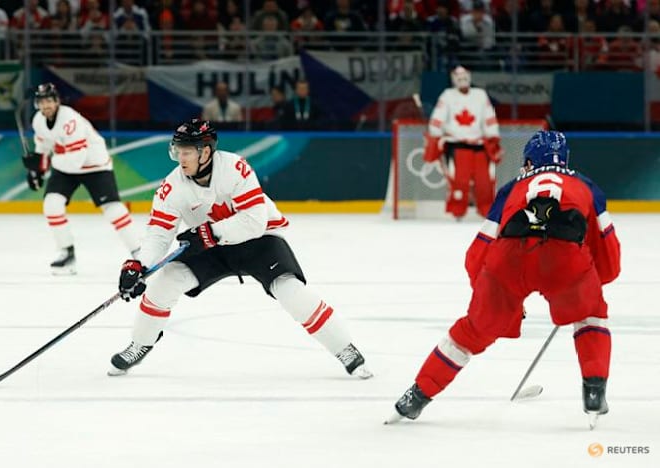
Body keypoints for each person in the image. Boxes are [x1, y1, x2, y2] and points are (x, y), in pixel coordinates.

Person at [387, 131, 621, 428]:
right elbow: (610, 257)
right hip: (566, 260)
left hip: (508, 259)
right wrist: (589, 286)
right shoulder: (587, 186)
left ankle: (416, 396)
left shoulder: (512, 188)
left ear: (528, 161)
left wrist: (491, 295)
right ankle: (594, 390)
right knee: (591, 317)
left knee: (471, 331)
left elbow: (477, 253)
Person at [110, 119, 373, 379]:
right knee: (165, 282)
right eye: (178, 151)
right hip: (211, 247)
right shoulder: (172, 187)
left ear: (206, 151)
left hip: (257, 241)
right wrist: (139, 266)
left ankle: (345, 349)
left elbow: (254, 221)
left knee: (290, 290)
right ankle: (140, 343)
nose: (181, 158)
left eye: (187, 151)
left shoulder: (235, 168)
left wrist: (210, 232)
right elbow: (158, 234)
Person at [23, 83, 142, 274]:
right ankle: (67, 254)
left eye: (49, 101)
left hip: (94, 163)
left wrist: (44, 166)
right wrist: (36, 170)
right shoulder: (38, 120)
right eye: (42, 102)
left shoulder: (70, 119)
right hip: (65, 163)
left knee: (113, 209)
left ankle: (139, 252)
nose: (46, 106)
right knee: (51, 205)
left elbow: (76, 160)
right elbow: (44, 146)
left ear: (57, 101)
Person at [423, 65, 503, 219]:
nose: (463, 81)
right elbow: (437, 118)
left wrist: (493, 136)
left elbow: (489, 117)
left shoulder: (480, 95)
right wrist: (435, 134)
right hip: (456, 144)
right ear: (454, 80)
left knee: (484, 181)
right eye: (459, 78)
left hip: (479, 145)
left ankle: (487, 211)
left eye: (465, 78)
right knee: (459, 180)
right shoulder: (447, 96)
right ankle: (457, 210)